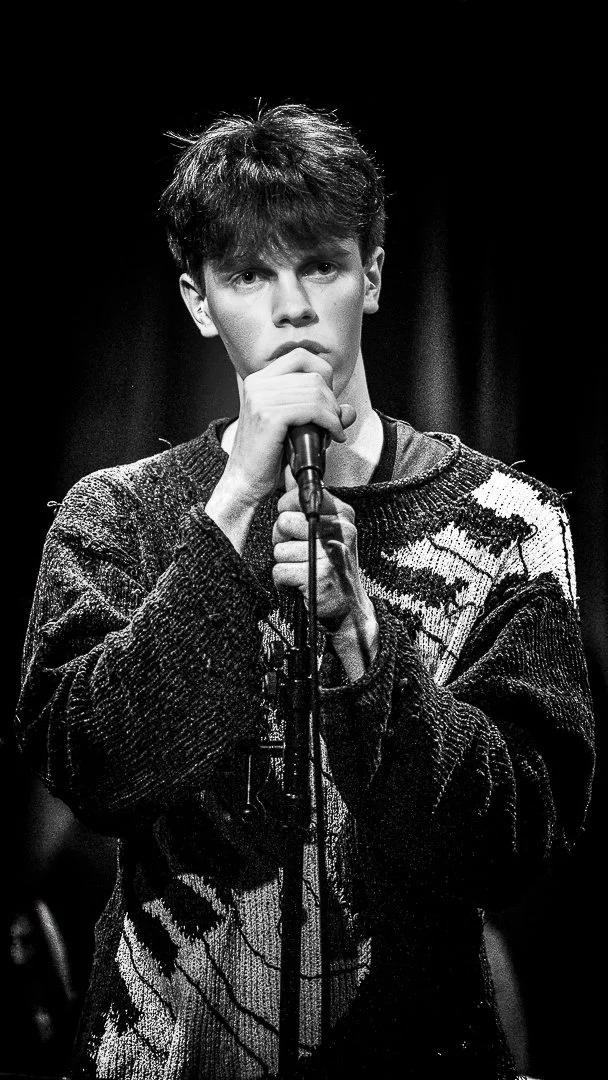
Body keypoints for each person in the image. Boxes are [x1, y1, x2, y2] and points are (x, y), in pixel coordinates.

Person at [15, 103, 595, 1079]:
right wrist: (235, 505)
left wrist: (361, 636)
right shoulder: (112, 513)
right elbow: (97, 769)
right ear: (200, 302)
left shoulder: (511, 521)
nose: (290, 308)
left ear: (372, 277)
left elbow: (516, 842)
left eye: (320, 266)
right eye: (248, 275)